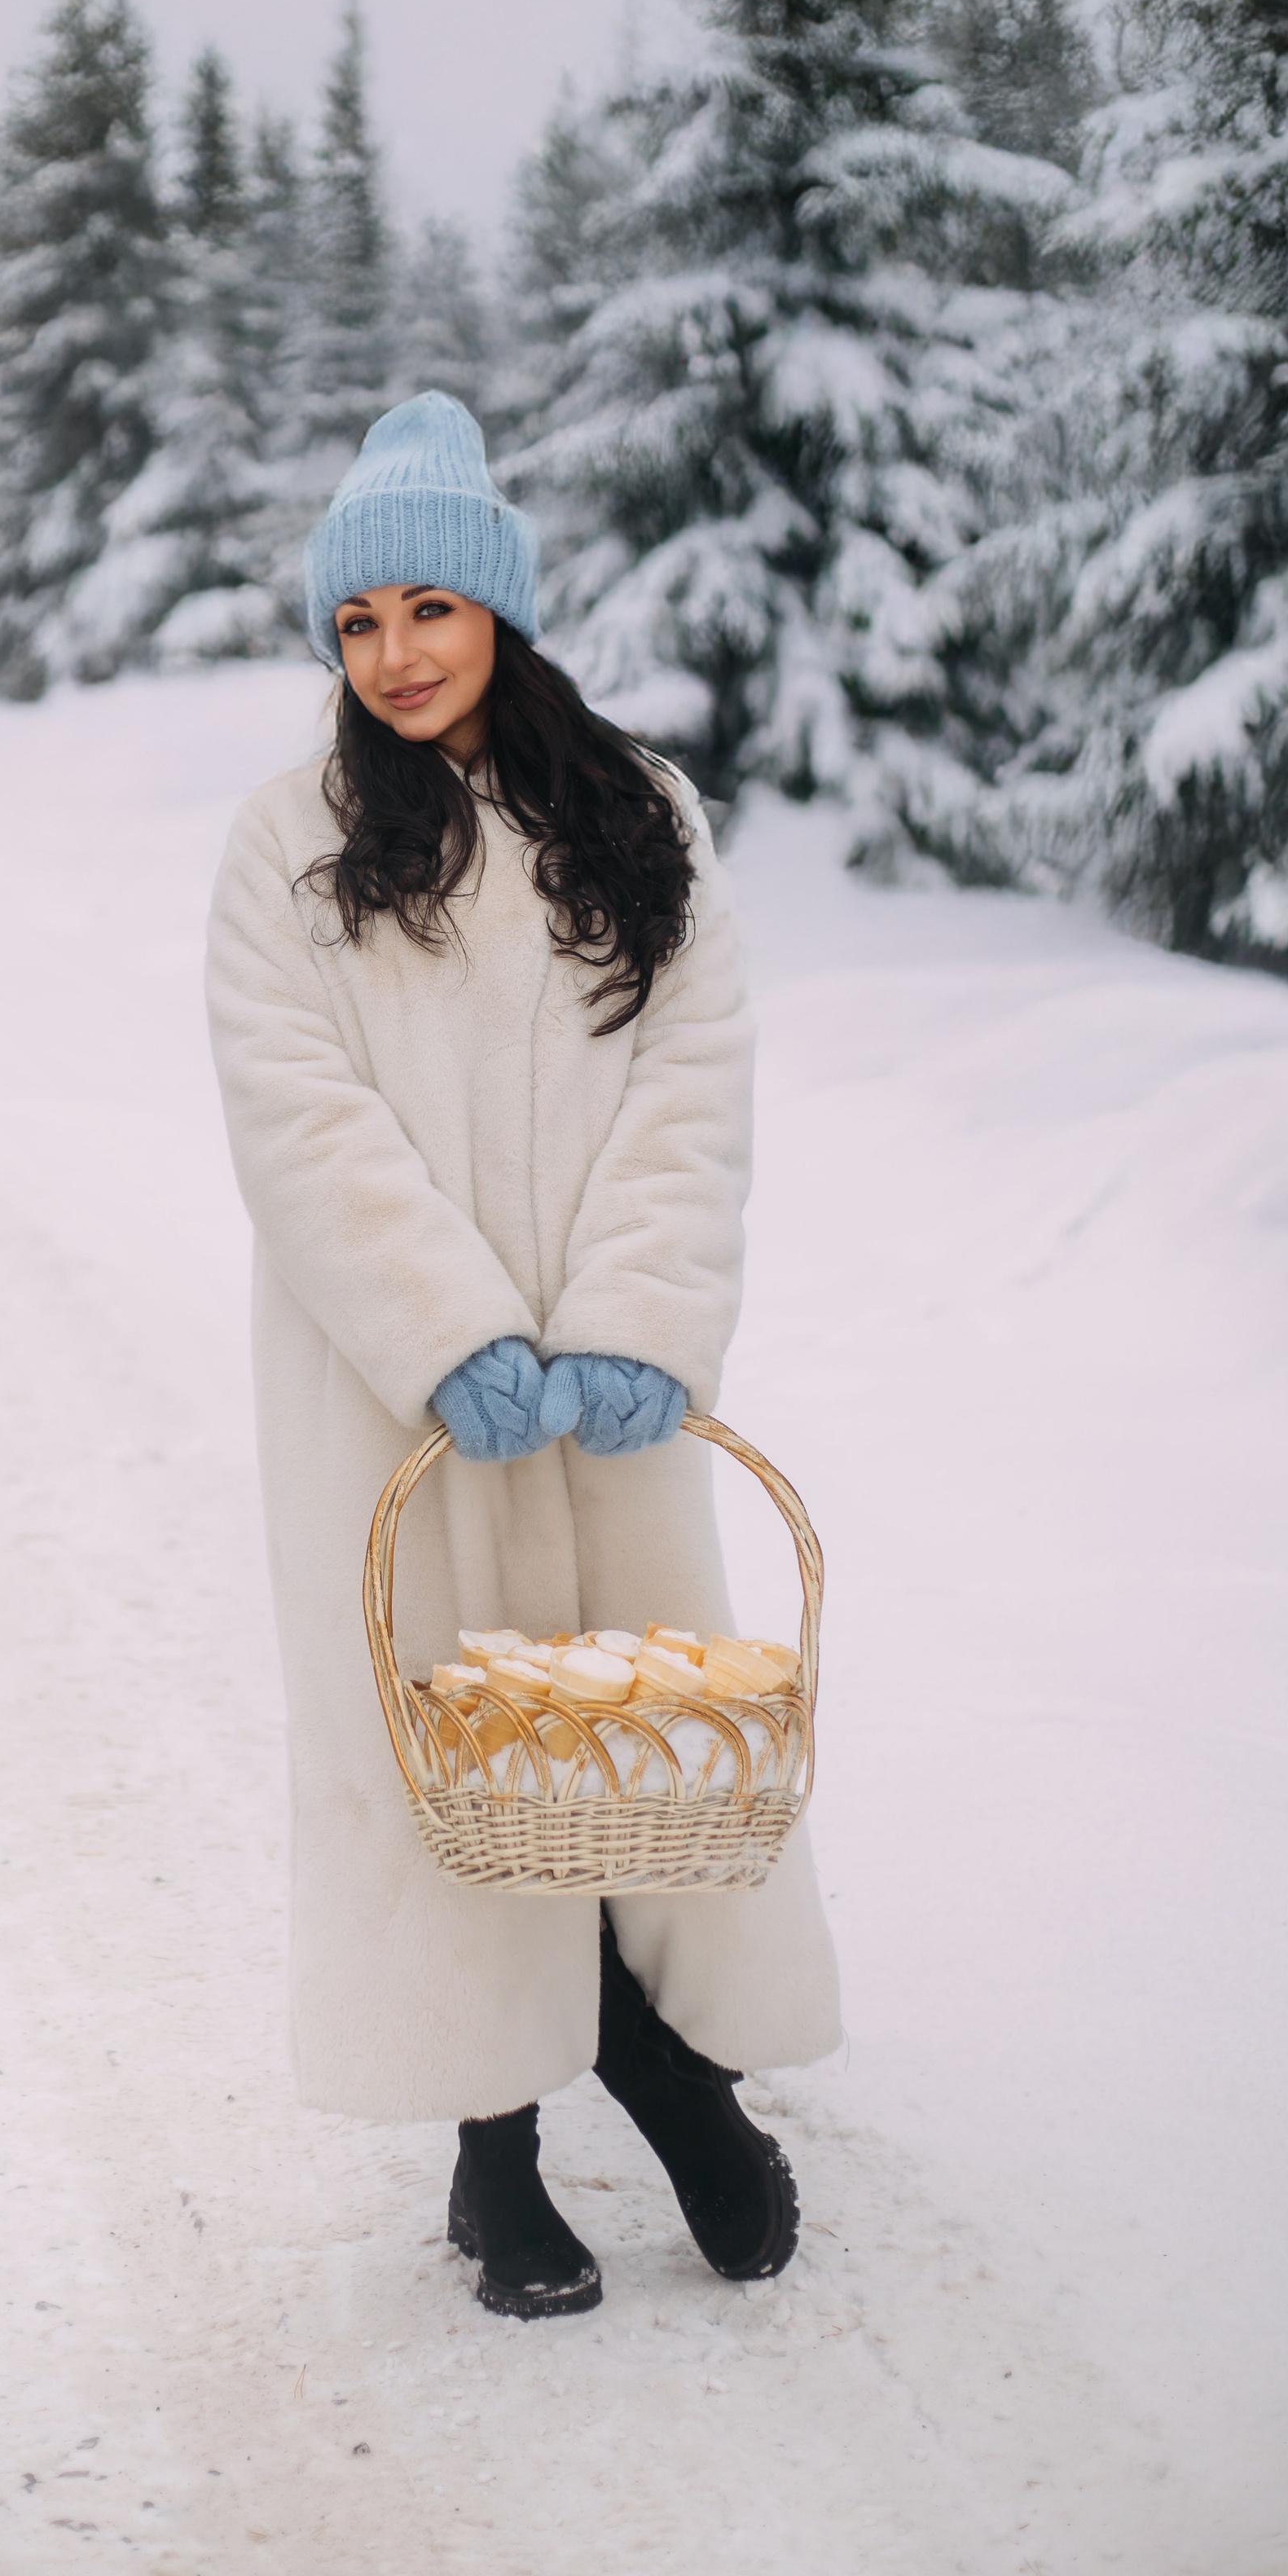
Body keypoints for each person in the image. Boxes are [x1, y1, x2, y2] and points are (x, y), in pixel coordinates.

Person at [205, 392, 840, 2320]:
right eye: (351, 624)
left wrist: (636, 1319)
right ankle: (509, 2159)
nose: (389, 657)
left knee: (617, 1743)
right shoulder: (290, 845)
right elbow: (294, 1111)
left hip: (607, 1388)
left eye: (425, 611)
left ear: (499, 612)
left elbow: (694, 1082)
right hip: (394, 1393)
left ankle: (663, 2055)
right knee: (443, 1755)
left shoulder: (635, 812)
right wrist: (445, 1328)